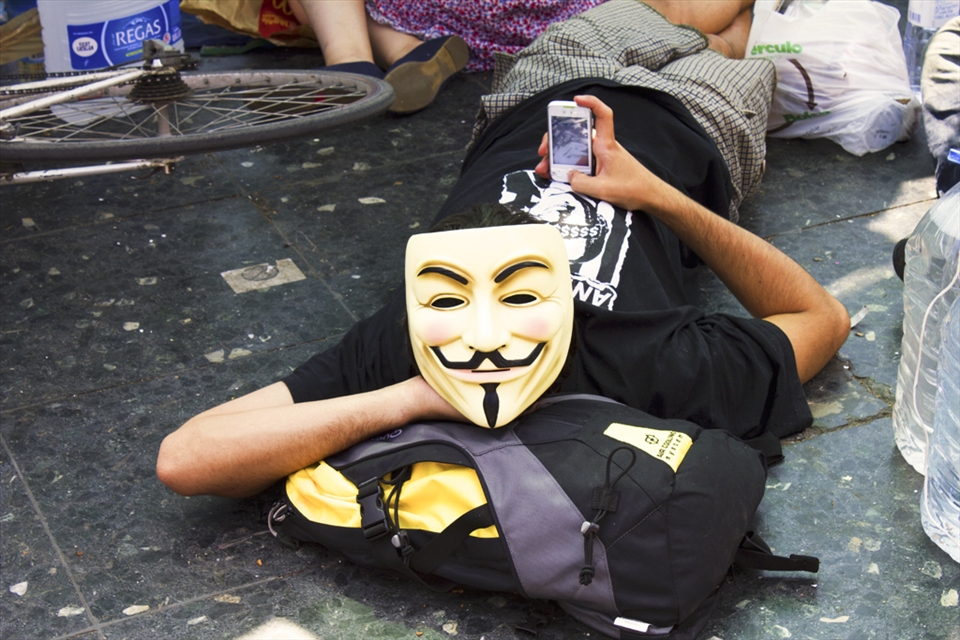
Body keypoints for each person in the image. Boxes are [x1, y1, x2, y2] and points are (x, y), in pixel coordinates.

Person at [157, 0, 850, 499]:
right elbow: (822, 320)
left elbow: (186, 454)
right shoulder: (644, 361)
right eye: (452, 299)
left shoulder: (407, 338)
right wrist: (662, 195)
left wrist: (406, 387)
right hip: (698, 122)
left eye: (519, 294)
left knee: (678, 8)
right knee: (725, 29)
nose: (484, 335)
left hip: (546, 89)